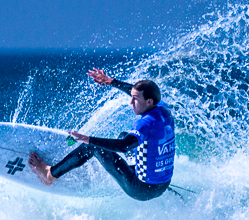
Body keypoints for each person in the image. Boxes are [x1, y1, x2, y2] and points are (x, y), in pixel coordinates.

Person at [28, 68, 175, 201]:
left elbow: (124, 146)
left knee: (93, 147)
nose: (131, 102)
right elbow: (135, 91)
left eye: (135, 100)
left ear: (149, 101)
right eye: (132, 97)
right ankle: (146, 171)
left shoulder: (145, 123)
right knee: (124, 135)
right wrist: (111, 81)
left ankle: (49, 175)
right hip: (162, 184)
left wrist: (87, 139)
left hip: (140, 189)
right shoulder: (162, 109)